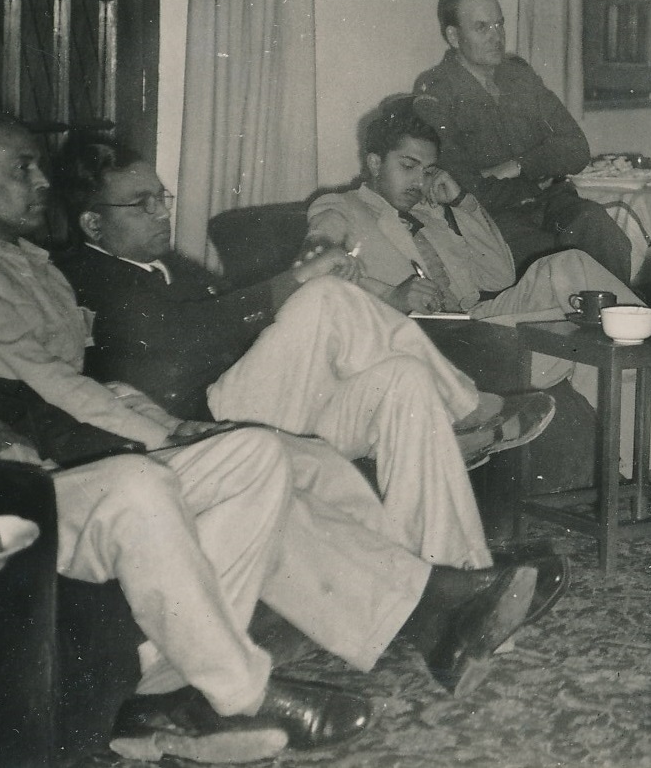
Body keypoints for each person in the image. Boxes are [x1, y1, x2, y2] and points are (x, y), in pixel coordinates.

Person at [0, 113, 546, 763]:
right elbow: (42, 380)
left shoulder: (42, 267)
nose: (40, 180)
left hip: (123, 429)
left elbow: (95, 381)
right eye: (21, 168)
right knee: (296, 362)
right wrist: (166, 429)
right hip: (39, 468)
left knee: (358, 406)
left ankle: (455, 589)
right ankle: (405, 603)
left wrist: (166, 424)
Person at [53, 133, 560, 572]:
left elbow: (239, 322)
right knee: (323, 298)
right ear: (93, 224)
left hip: (263, 406)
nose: (162, 212)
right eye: (140, 204)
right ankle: (468, 409)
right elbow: (189, 335)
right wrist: (298, 279)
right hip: (204, 427)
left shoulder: (172, 267)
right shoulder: (90, 280)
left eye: (160, 197)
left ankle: (449, 572)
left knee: (404, 379)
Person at [306, 98, 651, 489]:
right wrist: (390, 295)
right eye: (407, 166)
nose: (417, 181)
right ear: (375, 163)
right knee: (587, 338)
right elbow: (318, 255)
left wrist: (462, 203)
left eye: (426, 170)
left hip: (474, 322)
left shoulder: (429, 213)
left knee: (568, 267)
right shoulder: (343, 206)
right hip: (429, 344)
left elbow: (499, 273)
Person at [411, 0, 633, 282]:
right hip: (493, 219)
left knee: (601, 230)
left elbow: (576, 148)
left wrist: (517, 166)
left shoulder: (519, 76)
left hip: (551, 203)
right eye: (481, 27)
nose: (497, 37)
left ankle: (618, 311)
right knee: (550, 265)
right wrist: (536, 180)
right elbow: (468, 188)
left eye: (499, 24)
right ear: (453, 36)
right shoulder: (437, 94)